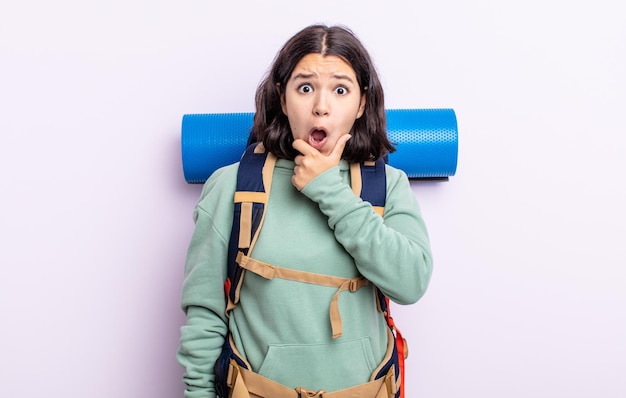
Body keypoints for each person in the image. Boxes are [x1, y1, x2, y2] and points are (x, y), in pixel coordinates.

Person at [177, 24, 433, 398]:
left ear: (362, 103)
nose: (321, 106)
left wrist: (331, 191)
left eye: (341, 89)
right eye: (305, 87)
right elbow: (205, 318)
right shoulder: (231, 186)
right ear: (282, 98)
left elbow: (411, 282)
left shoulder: (388, 185)